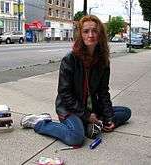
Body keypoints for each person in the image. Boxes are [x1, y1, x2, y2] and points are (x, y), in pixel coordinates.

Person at [20, 15, 131, 146]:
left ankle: (92, 125)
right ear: (81, 35)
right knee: (75, 138)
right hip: (70, 108)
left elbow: (103, 92)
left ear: (100, 34)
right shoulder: (70, 60)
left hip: (92, 107)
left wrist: (109, 119)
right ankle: (40, 122)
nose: (91, 35)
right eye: (86, 31)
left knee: (125, 112)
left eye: (94, 31)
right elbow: (64, 93)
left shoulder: (103, 61)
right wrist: (87, 115)